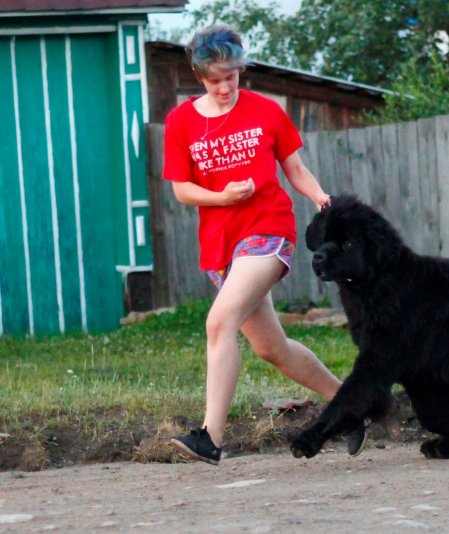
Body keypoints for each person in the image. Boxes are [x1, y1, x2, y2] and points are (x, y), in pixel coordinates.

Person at [162, 24, 367, 465]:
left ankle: (209, 438)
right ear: (200, 77)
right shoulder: (181, 123)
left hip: (267, 233)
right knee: (271, 349)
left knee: (219, 324)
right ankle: (350, 405)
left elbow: (294, 168)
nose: (224, 86)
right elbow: (181, 189)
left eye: (231, 76)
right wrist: (220, 197)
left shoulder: (266, 111)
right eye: (215, 79)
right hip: (221, 245)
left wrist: (319, 197)